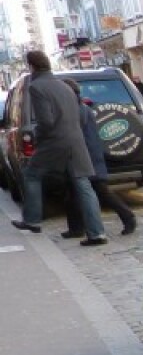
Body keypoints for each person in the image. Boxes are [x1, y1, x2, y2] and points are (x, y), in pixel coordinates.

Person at [10, 50, 106, 246]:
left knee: (31, 174)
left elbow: (46, 121)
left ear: (32, 66)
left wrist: (38, 137)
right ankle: (97, 233)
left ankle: (32, 220)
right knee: (84, 185)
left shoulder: (37, 87)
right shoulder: (64, 86)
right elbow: (78, 115)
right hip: (76, 141)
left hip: (55, 141)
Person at [61, 79, 136, 239]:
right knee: (73, 193)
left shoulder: (77, 109)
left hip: (86, 155)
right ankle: (76, 228)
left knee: (100, 191)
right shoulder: (81, 107)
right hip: (88, 153)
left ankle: (128, 217)